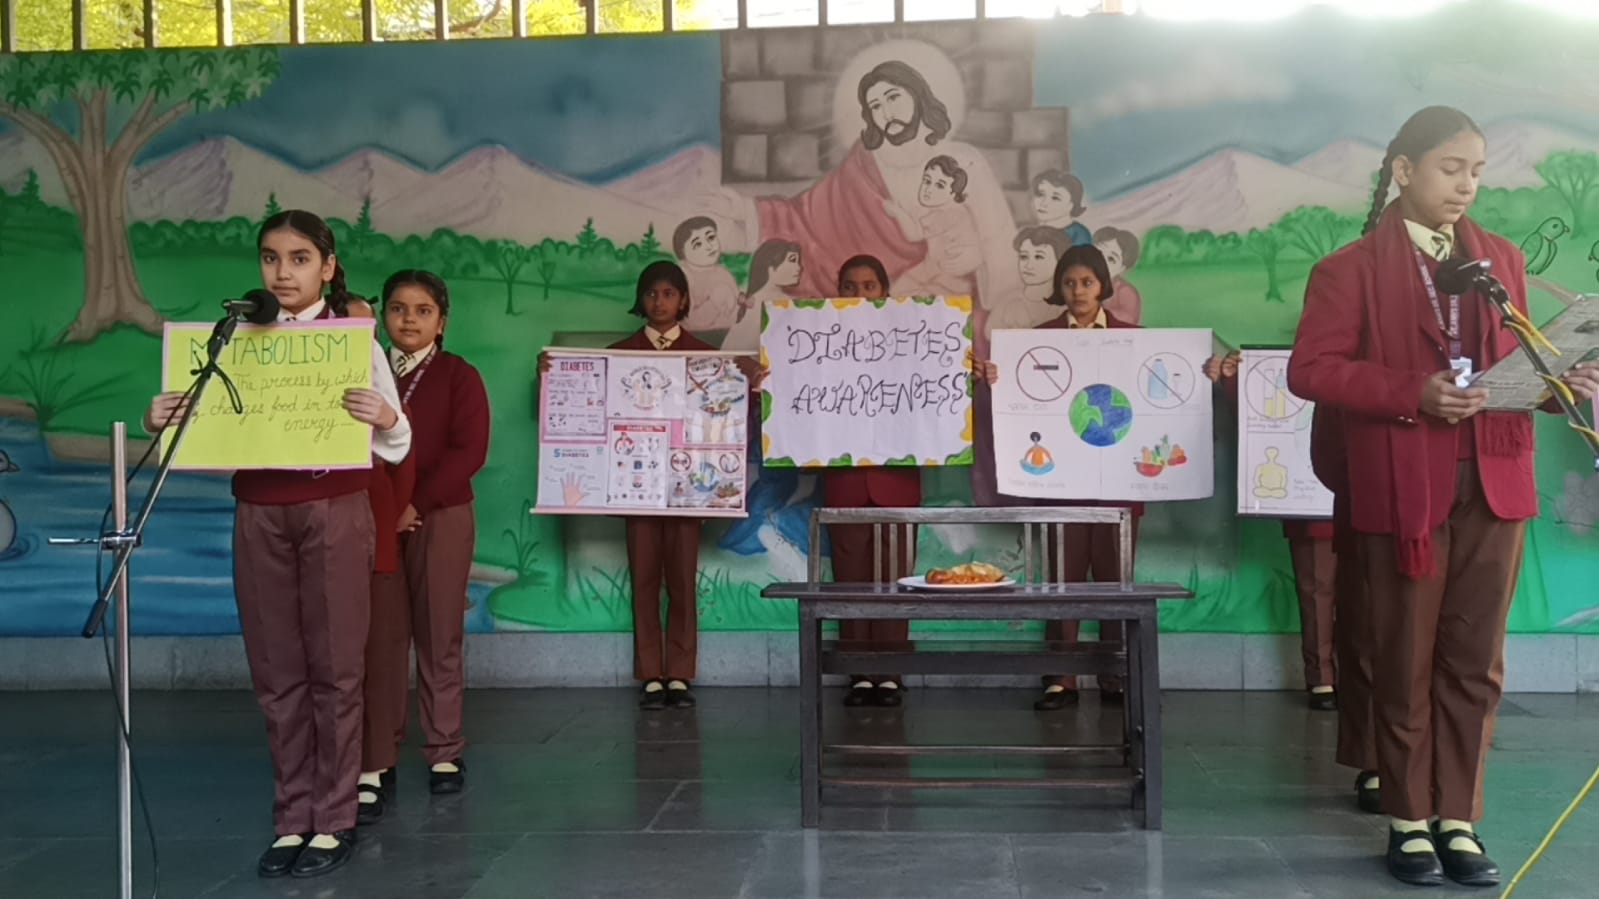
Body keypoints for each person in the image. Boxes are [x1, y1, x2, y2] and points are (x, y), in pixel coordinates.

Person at [1287, 106, 1599, 888]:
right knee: (1403, 656)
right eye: (1449, 168)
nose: (1465, 185)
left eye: (1476, 171)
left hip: (1495, 481)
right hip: (1403, 486)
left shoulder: (1499, 260)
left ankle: (1457, 816)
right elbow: (1310, 370)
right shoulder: (1349, 268)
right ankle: (1406, 819)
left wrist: (1558, 384)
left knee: (1473, 661)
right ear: (1403, 170)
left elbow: (1507, 367)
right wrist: (1412, 392)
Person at [144, 210, 410, 878]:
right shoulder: (232, 339)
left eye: (298, 258)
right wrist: (164, 417)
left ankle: (335, 816)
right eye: (270, 258)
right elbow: (204, 427)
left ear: (327, 265)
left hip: (335, 507)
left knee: (336, 667)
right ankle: (292, 817)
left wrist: (385, 415)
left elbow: (397, 440)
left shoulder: (352, 340)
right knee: (276, 670)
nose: (282, 273)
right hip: (259, 512)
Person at [540, 261, 765, 709]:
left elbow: (735, 420)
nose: (659, 302)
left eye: (668, 294)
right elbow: (578, 406)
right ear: (640, 301)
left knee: (682, 580)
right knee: (643, 580)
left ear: (684, 301)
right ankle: (650, 673)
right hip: (636, 489)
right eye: (651, 293)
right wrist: (554, 374)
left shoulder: (708, 358)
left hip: (688, 490)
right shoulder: (618, 355)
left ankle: (678, 673)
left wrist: (750, 386)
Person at [978, 245, 1139, 711]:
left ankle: (1115, 674)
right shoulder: (1036, 341)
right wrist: (995, 379)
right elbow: (1016, 401)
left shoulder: (1135, 340)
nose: (1078, 291)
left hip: (1117, 485)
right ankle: (1061, 677)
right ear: (1059, 289)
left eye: (1087, 282)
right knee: (1062, 580)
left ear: (1103, 286)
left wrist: (1205, 370)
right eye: (1069, 283)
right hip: (1060, 483)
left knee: (1114, 582)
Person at [359, 270, 490, 818]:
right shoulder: (364, 372)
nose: (408, 319)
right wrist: (387, 508)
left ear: (442, 321)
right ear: (382, 316)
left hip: (441, 515)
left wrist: (417, 503)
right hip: (375, 518)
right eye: (398, 308)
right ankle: (376, 757)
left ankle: (443, 750)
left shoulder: (459, 375)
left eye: (422, 310)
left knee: (439, 632)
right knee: (381, 641)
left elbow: (470, 450)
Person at [1203, 351, 1339, 712]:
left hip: (1369, 501)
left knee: (1369, 597)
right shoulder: (1297, 369)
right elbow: (1262, 416)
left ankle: (1359, 678)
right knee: (1316, 593)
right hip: (1309, 503)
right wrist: (1233, 378)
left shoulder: (1375, 366)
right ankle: (1323, 677)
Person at [825, 255, 922, 707]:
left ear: (885, 291)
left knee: (897, 581)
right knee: (851, 581)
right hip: (846, 480)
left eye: (869, 286)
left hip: (896, 482)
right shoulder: (819, 342)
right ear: (838, 293)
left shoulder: (914, 340)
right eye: (850, 286)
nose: (860, 295)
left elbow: (938, 396)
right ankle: (859, 672)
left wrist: (965, 370)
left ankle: (890, 672)